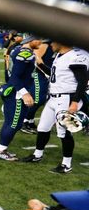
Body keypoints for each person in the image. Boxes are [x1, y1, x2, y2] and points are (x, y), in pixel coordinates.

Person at [21, 41, 88, 173]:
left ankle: (66, 164)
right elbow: (54, 75)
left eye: (53, 41)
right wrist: (40, 64)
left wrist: (74, 102)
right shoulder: (60, 55)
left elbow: (82, 81)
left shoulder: (75, 56)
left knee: (63, 132)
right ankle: (37, 155)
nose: (51, 45)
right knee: (42, 127)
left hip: (66, 98)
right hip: (53, 98)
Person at [0, 35, 42, 161]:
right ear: (31, 40)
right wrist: (24, 93)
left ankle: (1, 148)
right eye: (38, 39)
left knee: (14, 123)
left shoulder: (19, 50)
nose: (40, 42)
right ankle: (1, 150)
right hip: (17, 93)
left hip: (14, 91)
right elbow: (15, 76)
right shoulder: (25, 53)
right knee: (14, 124)